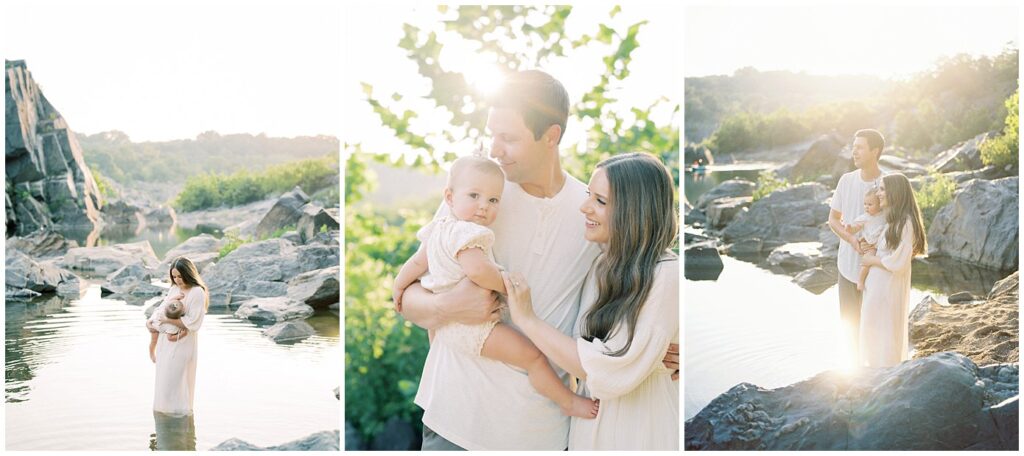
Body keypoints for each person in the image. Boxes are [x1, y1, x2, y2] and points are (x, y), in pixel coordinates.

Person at [396, 70, 678, 450]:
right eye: (492, 135)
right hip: (456, 422)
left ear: (551, 136)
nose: (495, 149)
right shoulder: (479, 196)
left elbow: (641, 278)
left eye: (508, 138)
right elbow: (406, 299)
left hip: (544, 431)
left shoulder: (592, 210)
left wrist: (670, 347)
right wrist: (446, 306)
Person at [392, 155, 599, 419]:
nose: (483, 207)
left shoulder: (438, 229)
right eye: (474, 196)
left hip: (445, 328)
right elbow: (478, 271)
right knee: (532, 357)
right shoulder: (468, 234)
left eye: (493, 200)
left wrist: (398, 286)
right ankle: (567, 401)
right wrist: (508, 284)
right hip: (472, 327)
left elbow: (417, 262)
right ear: (449, 197)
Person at [504, 153, 679, 450]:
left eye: (600, 201)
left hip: (639, 430)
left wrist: (526, 319)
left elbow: (606, 370)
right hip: (591, 428)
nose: (584, 207)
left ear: (634, 211)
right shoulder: (601, 267)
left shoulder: (665, 274)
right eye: (589, 195)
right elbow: (586, 353)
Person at [858, 173, 926, 367]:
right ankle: (873, 370)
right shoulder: (893, 221)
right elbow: (886, 250)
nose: (878, 194)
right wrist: (868, 247)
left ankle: (884, 372)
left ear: (894, 192)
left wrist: (871, 259)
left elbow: (899, 262)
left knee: (884, 330)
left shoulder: (906, 223)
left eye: (881, 189)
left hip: (887, 287)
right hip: (877, 286)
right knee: (873, 329)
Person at [828, 129, 884, 362]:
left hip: (877, 269)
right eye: (854, 147)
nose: (854, 151)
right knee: (849, 327)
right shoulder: (846, 180)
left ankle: (875, 376)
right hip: (846, 267)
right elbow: (833, 220)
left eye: (860, 147)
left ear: (875, 151)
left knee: (873, 329)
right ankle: (853, 376)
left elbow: (895, 226)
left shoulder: (887, 184)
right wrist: (851, 239)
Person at [149, 257, 208, 415]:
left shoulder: (197, 292)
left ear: (188, 274)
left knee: (175, 381)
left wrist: (169, 320)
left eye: (180, 276)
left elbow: (193, 322)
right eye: (174, 276)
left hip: (183, 343)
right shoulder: (174, 289)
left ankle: (179, 421)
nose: (177, 280)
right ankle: (164, 421)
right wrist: (153, 321)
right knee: (164, 381)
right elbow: (163, 307)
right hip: (165, 342)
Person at [846, 187, 886, 291]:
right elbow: (856, 228)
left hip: (881, 244)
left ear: (879, 204)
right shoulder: (865, 217)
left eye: (870, 204)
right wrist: (850, 229)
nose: (866, 207)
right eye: (865, 204)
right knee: (867, 262)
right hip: (870, 245)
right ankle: (860, 281)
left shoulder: (884, 215)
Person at [147, 295, 186, 363]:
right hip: (155, 326)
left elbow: (171, 299)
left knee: (153, 342)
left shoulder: (165, 306)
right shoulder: (171, 325)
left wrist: (178, 296)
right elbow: (170, 338)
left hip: (154, 318)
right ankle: (152, 354)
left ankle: (151, 353)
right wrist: (182, 335)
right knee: (154, 341)